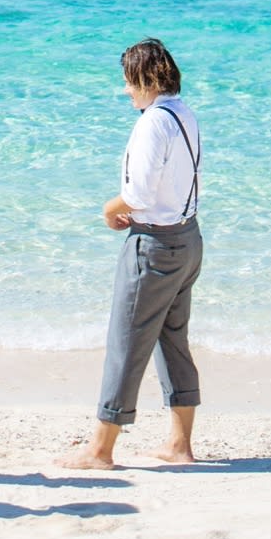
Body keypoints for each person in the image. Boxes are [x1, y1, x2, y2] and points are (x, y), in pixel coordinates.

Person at [63, 37, 203, 469]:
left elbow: (138, 196)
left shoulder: (152, 123)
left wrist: (108, 211)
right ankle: (179, 444)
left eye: (129, 81)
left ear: (147, 79)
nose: (125, 89)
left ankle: (101, 449)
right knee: (173, 341)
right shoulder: (183, 113)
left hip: (154, 247)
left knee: (126, 342)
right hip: (188, 239)